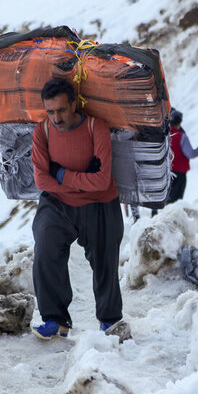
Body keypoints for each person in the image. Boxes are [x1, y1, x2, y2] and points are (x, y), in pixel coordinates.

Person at [30, 79, 123, 339]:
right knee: (46, 248)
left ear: (74, 104)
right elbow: (42, 180)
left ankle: (109, 321)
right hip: (57, 204)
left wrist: (62, 175)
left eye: (61, 110)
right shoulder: (42, 132)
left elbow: (102, 180)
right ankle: (54, 319)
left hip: (100, 203)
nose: (56, 118)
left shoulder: (97, 128)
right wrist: (80, 181)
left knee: (105, 260)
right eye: (50, 111)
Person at [168, 110, 198, 203]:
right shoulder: (181, 136)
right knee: (176, 201)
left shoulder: (165, 135)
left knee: (166, 198)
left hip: (166, 171)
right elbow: (190, 153)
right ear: (180, 122)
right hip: (179, 172)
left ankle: (157, 214)